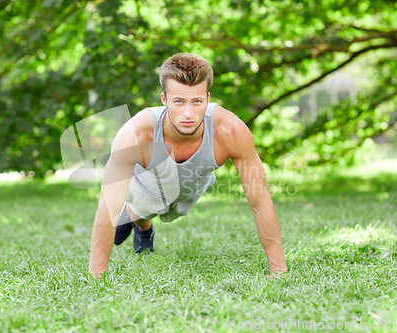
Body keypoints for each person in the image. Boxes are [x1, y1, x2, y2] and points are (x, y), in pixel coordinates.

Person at [89, 53, 287, 279]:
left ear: (208, 98)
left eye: (197, 102)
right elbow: (108, 204)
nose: (188, 114)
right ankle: (142, 225)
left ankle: (138, 216)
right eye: (179, 101)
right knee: (146, 205)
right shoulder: (136, 133)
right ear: (164, 99)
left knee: (174, 211)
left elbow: (260, 201)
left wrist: (278, 270)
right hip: (148, 180)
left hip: (194, 181)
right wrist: (97, 276)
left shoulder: (231, 131)